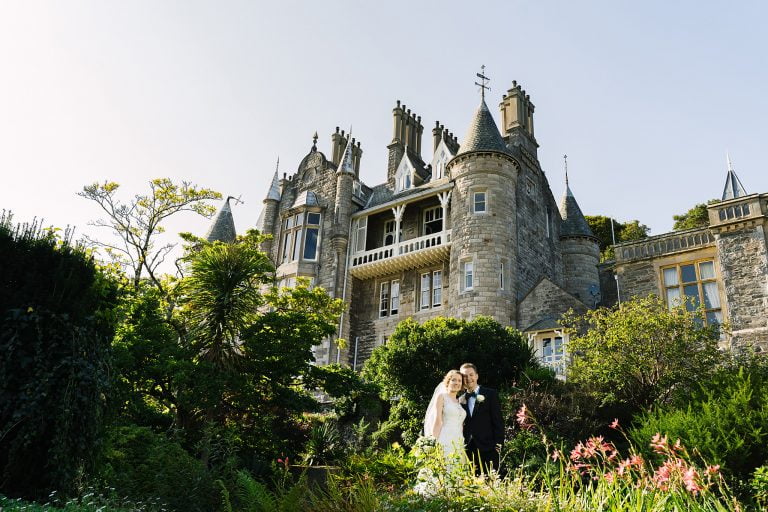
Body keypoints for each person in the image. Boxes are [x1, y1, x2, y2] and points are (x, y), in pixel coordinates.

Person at [459, 363, 504, 474]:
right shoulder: (460, 400)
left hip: (489, 448)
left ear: (477, 376)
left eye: (471, 375)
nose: (468, 378)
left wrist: (498, 446)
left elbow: (498, 421)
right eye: (465, 376)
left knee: (492, 483)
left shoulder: (490, 394)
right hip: (468, 449)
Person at [423, 369, 467, 461]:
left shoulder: (459, 402)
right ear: (448, 381)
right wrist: (433, 442)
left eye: (459, 380)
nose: (457, 383)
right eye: (453, 380)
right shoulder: (442, 397)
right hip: (445, 439)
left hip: (458, 441)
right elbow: (438, 421)